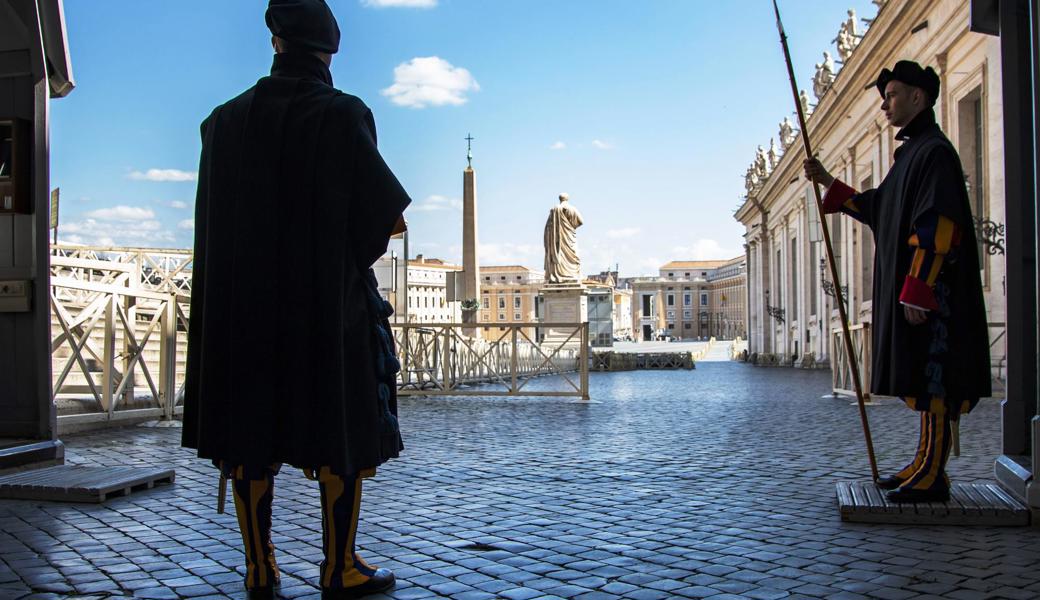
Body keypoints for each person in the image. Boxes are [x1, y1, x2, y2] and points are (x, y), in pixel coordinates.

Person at [181, 1, 411, 597]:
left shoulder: (221, 123)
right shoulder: (344, 115)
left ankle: (260, 568)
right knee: (342, 427)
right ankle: (340, 567)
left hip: (242, 312)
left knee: (248, 432)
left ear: (275, 42)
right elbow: (385, 218)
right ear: (331, 51)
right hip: (324, 310)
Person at [804, 60, 990, 503]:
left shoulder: (935, 153)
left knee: (937, 380)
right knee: (925, 382)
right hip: (920, 293)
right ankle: (924, 461)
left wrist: (918, 287)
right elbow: (879, 207)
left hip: (935, 294)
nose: (885, 105)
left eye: (891, 96)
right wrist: (828, 180)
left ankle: (933, 473)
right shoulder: (913, 154)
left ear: (918, 97)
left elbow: (938, 225)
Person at [543, 193, 584, 284]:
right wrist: (571, 226)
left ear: (560, 199)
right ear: (567, 199)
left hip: (556, 239)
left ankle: (558, 274)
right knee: (573, 256)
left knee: (558, 254)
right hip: (569, 237)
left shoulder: (554, 210)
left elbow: (548, 227)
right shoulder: (572, 209)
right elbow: (581, 221)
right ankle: (570, 274)